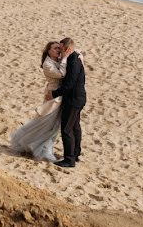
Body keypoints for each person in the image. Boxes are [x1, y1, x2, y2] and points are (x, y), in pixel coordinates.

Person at [9, 41, 67, 162]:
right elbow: (61, 74)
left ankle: (40, 146)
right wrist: (66, 58)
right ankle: (42, 150)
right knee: (47, 123)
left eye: (59, 48)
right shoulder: (47, 64)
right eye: (55, 48)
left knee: (51, 124)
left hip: (58, 95)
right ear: (49, 50)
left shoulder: (56, 61)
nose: (58, 50)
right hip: (53, 97)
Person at [46, 37, 86, 168]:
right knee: (75, 127)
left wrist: (53, 94)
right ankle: (75, 154)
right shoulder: (75, 56)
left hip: (73, 99)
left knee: (67, 129)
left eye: (61, 49)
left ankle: (70, 159)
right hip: (78, 98)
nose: (60, 52)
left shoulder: (73, 61)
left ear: (66, 48)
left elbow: (69, 84)